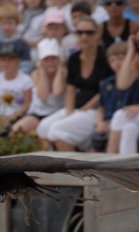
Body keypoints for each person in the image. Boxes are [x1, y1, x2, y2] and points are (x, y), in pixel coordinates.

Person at [38, 17, 112, 151]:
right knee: (43, 127)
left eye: (89, 32)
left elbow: (106, 90)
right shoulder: (74, 58)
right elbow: (71, 89)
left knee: (57, 130)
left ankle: (73, 170)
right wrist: (69, 112)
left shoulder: (104, 56)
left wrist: (84, 109)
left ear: (97, 34)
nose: (84, 36)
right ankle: (49, 168)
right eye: (80, 32)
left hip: (96, 110)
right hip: (76, 107)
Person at [108, 23, 139, 154]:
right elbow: (122, 85)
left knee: (120, 115)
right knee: (129, 128)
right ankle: (127, 171)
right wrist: (130, 51)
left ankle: (105, 164)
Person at [90, 42, 139, 152]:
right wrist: (100, 123)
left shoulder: (138, 81)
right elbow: (101, 108)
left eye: (120, 58)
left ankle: (110, 160)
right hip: (107, 122)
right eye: (112, 60)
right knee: (93, 139)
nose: (117, 63)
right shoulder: (106, 83)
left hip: (129, 119)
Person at [15, 38, 66, 134]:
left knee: (45, 130)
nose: (51, 62)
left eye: (54, 58)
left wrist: (59, 69)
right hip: (38, 113)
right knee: (17, 130)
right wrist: (42, 71)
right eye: (46, 59)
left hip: (58, 114)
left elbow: (57, 92)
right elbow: (43, 96)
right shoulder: (36, 74)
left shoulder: (64, 73)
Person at [0, 42, 34, 135]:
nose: (6, 63)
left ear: (18, 61)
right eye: (3, 60)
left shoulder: (26, 80)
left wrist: (10, 118)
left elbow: (27, 105)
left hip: (18, 118)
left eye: (10, 60)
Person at [0, 3, 32, 79]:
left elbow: (26, 65)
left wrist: (13, 78)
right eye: (4, 23)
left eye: (10, 23)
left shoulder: (22, 44)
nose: (7, 27)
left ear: (16, 23)